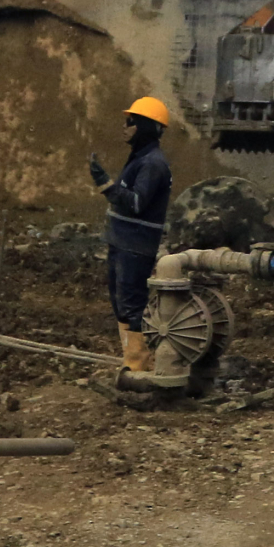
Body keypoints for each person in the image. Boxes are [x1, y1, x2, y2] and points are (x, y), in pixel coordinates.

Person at [92, 96, 177, 392]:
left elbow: (137, 203)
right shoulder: (142, 158)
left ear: (144, 127)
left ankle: (138, 366)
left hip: (135, 245)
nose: (124, 126)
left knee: (132, 304)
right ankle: (131, 362)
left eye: (130, 122)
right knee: (121, 304)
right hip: (122, 242)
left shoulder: (153, 163)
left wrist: (107, 185)